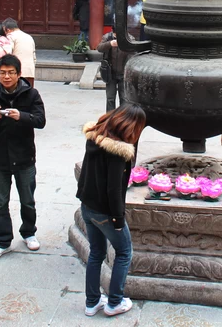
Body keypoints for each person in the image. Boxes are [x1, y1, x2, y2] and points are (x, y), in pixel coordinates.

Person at [76, 104, 146, 318]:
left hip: (87, 207)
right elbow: (114, 189)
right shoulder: (118, 151)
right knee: (124, 252)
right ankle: (114, 302)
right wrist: (117, 218)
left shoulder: (95, 138)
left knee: (96, 253)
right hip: (106, 212)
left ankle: (92, 302)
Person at [0, 54, 46, 261]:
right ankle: (2, 241)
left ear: (18, 74)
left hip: (25, 156)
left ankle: (29, 232)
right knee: (0, 202)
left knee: (27, 200)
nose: (6, 77)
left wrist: (22, 116)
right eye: (2, 73)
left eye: (11, 73)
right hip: (0, 158)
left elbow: (41, 120)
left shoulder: (31, 94)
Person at [97, 30, 133, 112]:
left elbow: (133, 53)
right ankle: (109, 119)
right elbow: (99, 48)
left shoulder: (130, 38)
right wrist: (109, 44)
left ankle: (122, 119)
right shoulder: (107, 37)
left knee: (124, 99)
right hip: (110, 73)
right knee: (110, 98)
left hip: (124, 74)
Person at [2, 17, 37, 88]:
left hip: (17, 72)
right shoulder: (29, 36)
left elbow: (7, 53)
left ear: (7, 29)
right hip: (30, 71)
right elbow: (34, 56)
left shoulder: (11, 36)